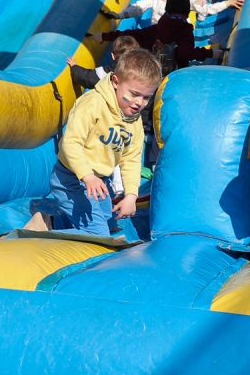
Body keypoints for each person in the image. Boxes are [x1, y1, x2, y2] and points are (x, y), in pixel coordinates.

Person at [25, 48, 163, 235]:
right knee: (98, 233)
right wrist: (87, 175)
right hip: (72, 178)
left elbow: (131, 159)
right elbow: (71, 143)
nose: (139, 102)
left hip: (99, 182)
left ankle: (50, 221)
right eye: (134, 94)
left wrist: (131, 196)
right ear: (115, 82)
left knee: (109, 225)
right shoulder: (93, 104)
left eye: (146, 97)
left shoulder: (134, 121)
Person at [102, 0, 212, 67]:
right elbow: (186, 53)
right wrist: (209, 53)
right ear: (187, 13)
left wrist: (104, 36)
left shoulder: (155, 30)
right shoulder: (185, 32)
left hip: (153, 76)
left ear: (167, 9)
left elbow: (130, 35)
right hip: (175, 79)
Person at [69, 34, 139, 91]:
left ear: (113, 56)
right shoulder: (140, 70)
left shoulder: (108, 73)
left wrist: (74, 67)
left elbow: (87, 78)